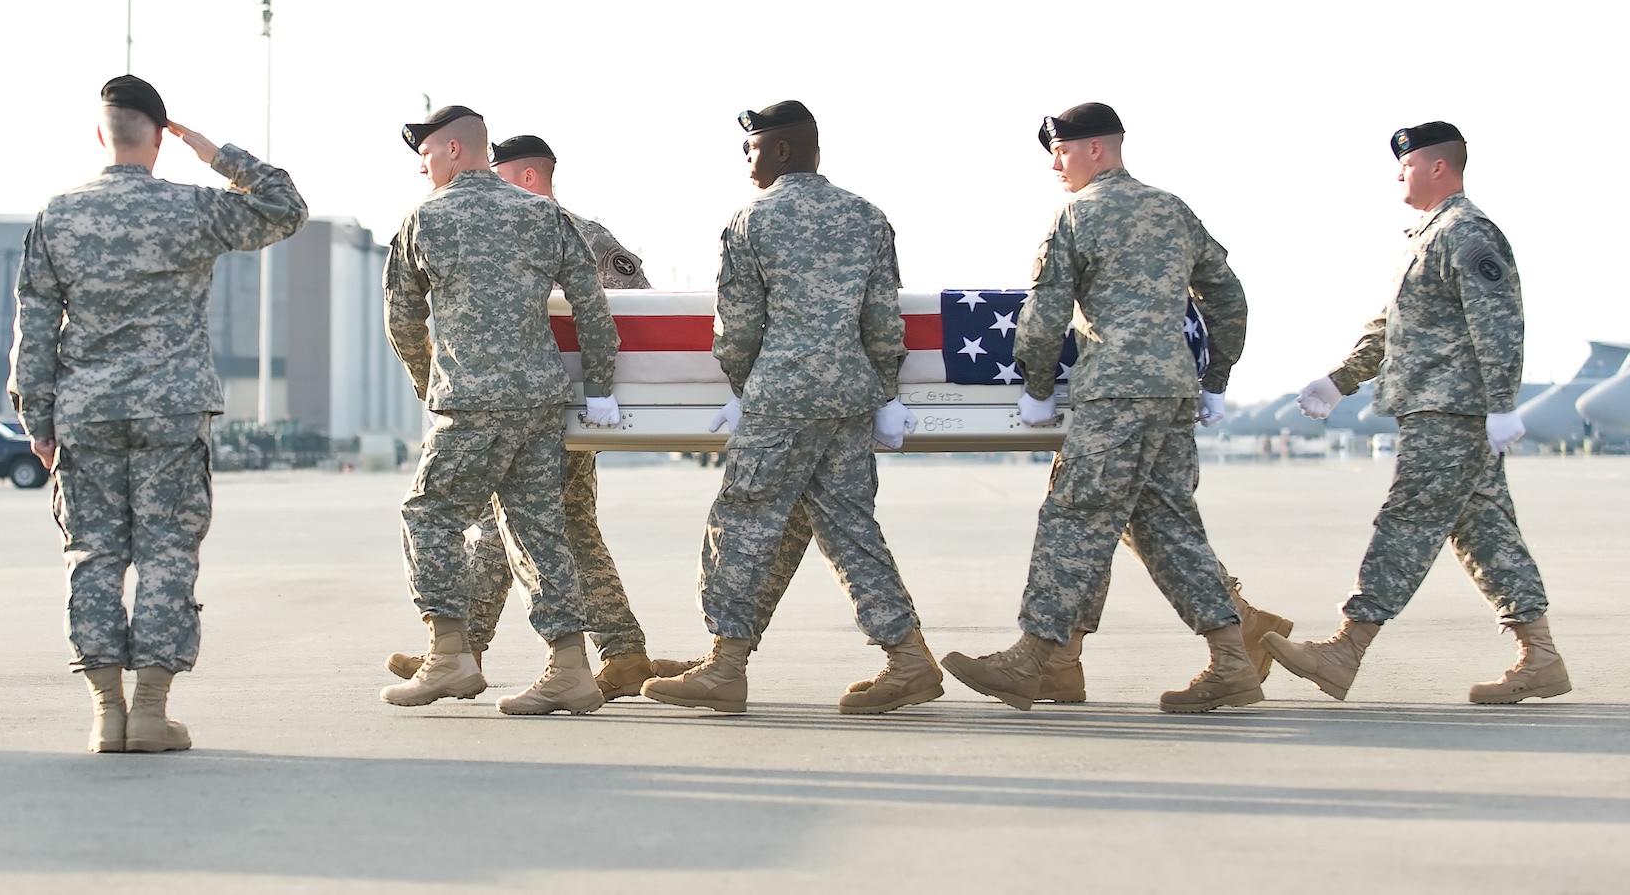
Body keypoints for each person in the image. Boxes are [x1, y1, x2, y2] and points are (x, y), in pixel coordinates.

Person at [8, 75, 306, 753]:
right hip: (172, 406)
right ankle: (150, 709)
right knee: (168, 552)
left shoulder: (59, 214)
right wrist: (214, 152)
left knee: (92, 555)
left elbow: (32, 321)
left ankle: (105, 712)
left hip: (87, 409)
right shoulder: (192, 207)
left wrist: (38, 418)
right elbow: (285, 206)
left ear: (100, 134)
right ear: (160, 138)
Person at [941, 103, 1263, 713]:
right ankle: (1231, 662)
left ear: (1096, 149)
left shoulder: (1077, 215)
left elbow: (1044, 311)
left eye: (1061, 151)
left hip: (1113, 392)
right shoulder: (1172, 210)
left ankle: (1031, 658)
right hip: (1171, 392)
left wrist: (1036, 387)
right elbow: (1228, 297)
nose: (1056, 165)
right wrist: (1216, 376)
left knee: (1074, 519)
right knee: (1166, 524)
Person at [642, 100, 942, 716]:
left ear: (779, 150)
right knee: (851, 528)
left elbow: (739, 326)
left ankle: (725, 669)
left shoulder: (754, 219)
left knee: (744, 523)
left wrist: (743, 384)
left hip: (782, 395)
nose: (747, 161)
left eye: (751, 148)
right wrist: (882, 390)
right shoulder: (867, 216)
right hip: (852, 397)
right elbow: (884, 321)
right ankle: (909, 660)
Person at [1266, 121, 1568, 705]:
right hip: (1434, 406)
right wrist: (1339, 381)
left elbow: (1499, 326)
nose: (1397, 174)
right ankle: (1541, 657)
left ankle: (1345, 649)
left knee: (1407, 523)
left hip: (1452, 410)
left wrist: (1503, 403)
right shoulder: (1427, 236)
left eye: (1405, 164)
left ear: (1437, 167)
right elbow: (1391, 327)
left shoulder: (1467, 233)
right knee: (1485, 533)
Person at [385, 133, 687, 698]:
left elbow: (634, 311)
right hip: (548, 405)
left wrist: (601, 396)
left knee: (523, 527)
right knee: (552, 527)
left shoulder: (580, 232)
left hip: (560, 409)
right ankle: (613, 652)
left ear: (526, 176)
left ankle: (460, 650)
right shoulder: (527, 223)